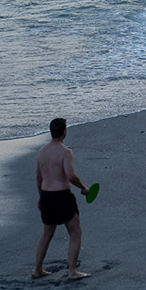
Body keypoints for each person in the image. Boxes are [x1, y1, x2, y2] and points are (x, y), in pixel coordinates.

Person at [33, 118, 92, 280]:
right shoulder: (65, 152)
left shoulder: (42, 152)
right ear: (64, 132)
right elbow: (71, 175)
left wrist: (40, 198)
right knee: (75, 232)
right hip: (61, 197)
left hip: (46, 195)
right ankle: (72, 271)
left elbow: (38, 177)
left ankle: (37, 269)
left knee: (47, 233)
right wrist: (84, 188)